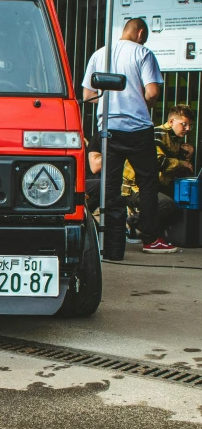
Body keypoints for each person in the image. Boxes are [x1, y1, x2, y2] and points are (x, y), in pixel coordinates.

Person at [82, 18, 175, 258]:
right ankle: (150, 238)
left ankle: (111, 245)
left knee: (110, 186)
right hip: (137, 129)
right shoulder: (143, 53)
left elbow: (88, 95)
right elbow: (153, 92)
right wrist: (141, 106)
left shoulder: (99, 54)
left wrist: (107, 106)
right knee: (147, 183)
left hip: (109, 128)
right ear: (140, 32)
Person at [122, 105, 196, 240]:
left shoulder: (174, 138)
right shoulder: (158, 134)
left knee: (182, 203)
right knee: (167, 205)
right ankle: (131, 222)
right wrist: (181, 162)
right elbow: (158, 162)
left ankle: (152, 232)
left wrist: (187, 155)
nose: (187, 129)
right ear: (172, 121)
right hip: (134, 187)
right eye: (184, 124)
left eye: (190, 126)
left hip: (152, 186)